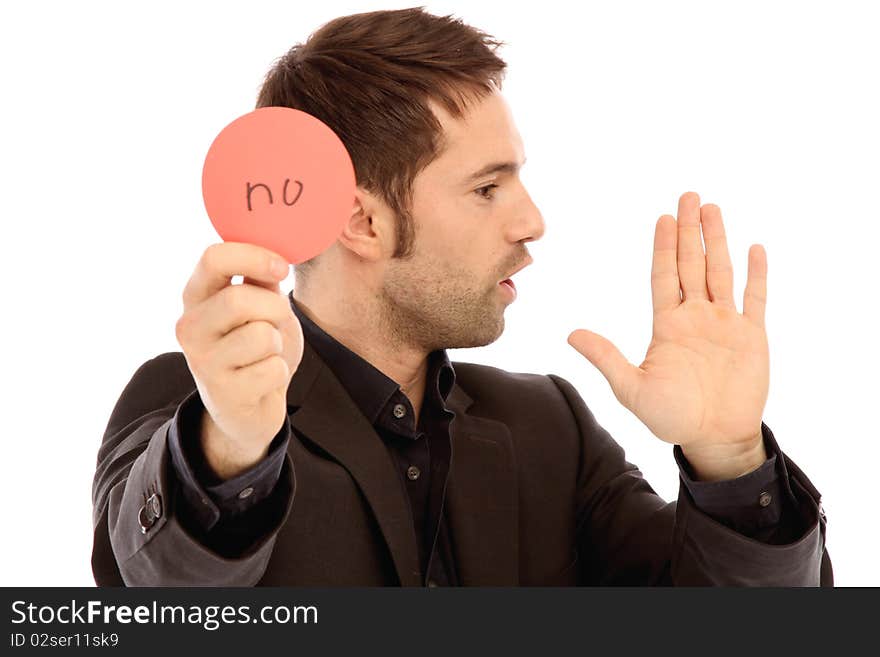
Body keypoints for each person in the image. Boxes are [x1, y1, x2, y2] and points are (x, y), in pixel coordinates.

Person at [91, 7, 831, 586]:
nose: (532, 220)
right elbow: (157, 598)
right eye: (487, 187)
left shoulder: (551, 428)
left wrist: (731, 461)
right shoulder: (186, 406)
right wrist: (230, 451)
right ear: (362, 221)